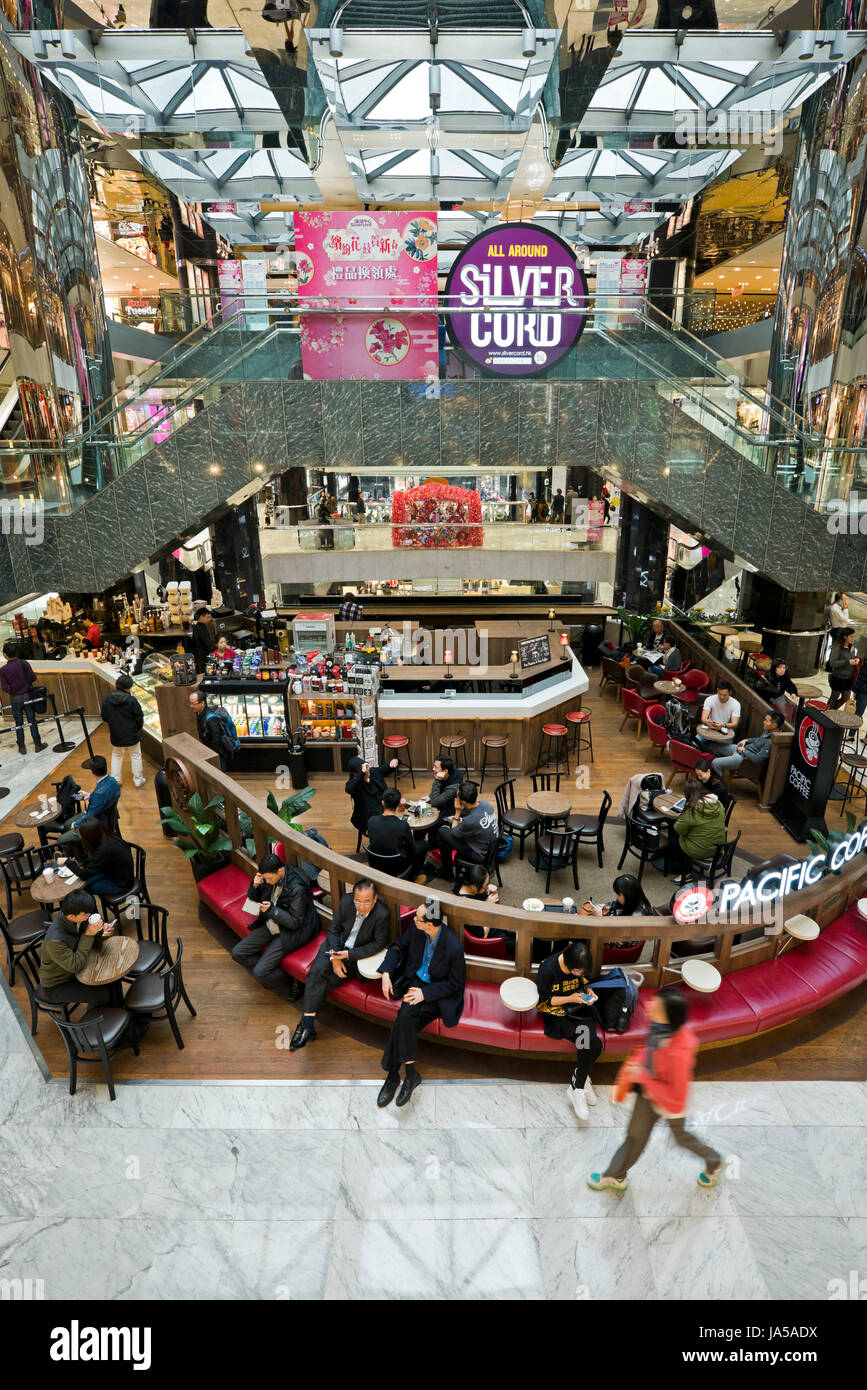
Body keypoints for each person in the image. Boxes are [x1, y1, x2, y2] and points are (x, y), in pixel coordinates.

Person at [588, 988, 724, 1191]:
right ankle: (616, 1175)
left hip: (670, 1103)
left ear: (670, 1017)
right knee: (635, 1137)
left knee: (682, 1138)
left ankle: (714, 1161)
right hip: (648, 1093)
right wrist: (636, 1070)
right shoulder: (661, 1029)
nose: (649, 1008)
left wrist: (641, 1077)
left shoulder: (679, 1054)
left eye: (657, 1007)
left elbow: (676, 1094)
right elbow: (649, 1052)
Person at [376, 898, 466, 1108]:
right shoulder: (417, 930)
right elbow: (397, 947)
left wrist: (425, 994)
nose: (413, 919)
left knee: (404, 1018)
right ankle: (409, 1074)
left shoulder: (453, 947)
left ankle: (393, 1076)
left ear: (430, 924)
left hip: (438, 991)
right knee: (405, 1019)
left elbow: (455, 983)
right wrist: (387, 971)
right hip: (416, 981)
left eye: (417, 917)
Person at [289, 878, 390, 1050]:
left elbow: (378, 944)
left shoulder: (382, 914)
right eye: (358, 900)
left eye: (366, 902)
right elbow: (334, 929)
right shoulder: (345, 902)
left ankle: (305, 1025)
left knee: (322, 983)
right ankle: (307, 1026)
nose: (361, 906)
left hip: (355, 956)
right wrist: (335, 958)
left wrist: (349, 955)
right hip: (334, 947)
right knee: (316, 973)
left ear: (374, 899)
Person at [230, 851, 318, 994]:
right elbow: (255, 898)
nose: (268, 881)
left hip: (295, 930)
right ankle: (276, 973)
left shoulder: (298, 888)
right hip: (273, 920)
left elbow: (295, 922)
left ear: (280, 870)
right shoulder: (270, 877)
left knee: (259, 973)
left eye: (270, 878)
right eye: (265, 879)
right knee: (238, 953)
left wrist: (271, 911)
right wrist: (255, 886)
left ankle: (292, 981)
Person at [536, 939, 602, 1120]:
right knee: (590, 1044)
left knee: (593, 1045)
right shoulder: (548, 969)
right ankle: (581, 1082)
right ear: (572, 969)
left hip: (579, 1009)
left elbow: (585, 982)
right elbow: (544, 1001)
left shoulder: (580, 966)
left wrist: (589, 992)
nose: (581, 974)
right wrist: (571, 998)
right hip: (556, 1013)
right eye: (579, 972)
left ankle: (577, 1084)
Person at [38, 890, 116, 1008]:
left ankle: (118, 1012)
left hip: (73, 971)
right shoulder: (54, 942)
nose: (88, 917)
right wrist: (89, 934)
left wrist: (103, 932)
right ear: (71, 916)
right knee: (103, 994)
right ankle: (99, 1022)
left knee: (111, 978)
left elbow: (90, 939)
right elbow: (75, 966)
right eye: (85, 915)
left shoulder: (72, 916)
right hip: (57, 984)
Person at [433, 779, 498, 882]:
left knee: (442, 832)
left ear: (462, 801)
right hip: (489, 847)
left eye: (457, 795)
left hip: (478, 855)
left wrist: (458, 811)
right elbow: (475, 818)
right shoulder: (486, 805)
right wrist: (460, 819)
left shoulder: (470, 822)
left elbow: (453, 832)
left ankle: (447, 872)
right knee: (448, 828)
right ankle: (446, 868)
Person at [57, 817, 134, 898]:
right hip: (114, 872)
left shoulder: (103, 850)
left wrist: (67, 861)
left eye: (82, 835)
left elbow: (84, 875)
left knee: (82, 890)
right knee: (86, 883)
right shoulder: (104, 834)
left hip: (121, 883)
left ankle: (92, 911)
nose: (80, 837)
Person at [366, 788, 427, 878]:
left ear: (383, 803)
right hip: (396, 867)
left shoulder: (371, 820)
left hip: (375, 863)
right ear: (399, 804)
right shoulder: (403, 825)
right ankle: (414, 875)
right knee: (423, 844)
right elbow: (411, 850)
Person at [100, 672, 146, 788]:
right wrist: (138, 728)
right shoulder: (131, 700)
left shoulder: (107, 700)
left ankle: (116, 780)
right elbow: (139, 717)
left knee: (117, 755)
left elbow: (104, 717)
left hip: (116, 734)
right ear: (128, 687)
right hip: (131, 733)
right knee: (135, 755)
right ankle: (138, 780)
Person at [0, 640, 46, 754]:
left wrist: (13, 689)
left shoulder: (3, 670)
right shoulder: (24, 663)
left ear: (5, 655)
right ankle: (38, 744)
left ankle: (22, 747)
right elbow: (33, 678)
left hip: (15, 698)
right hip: (27, 695)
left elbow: (5, 688)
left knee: (18, 722)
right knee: (31, 719)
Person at [711, 710, 784, 780]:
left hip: (743, 760)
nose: (763, 722)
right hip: (741, 749)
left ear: (774, 725)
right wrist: (746, 740)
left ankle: (717, 784)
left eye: (766, 721)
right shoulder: (769, 730)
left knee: (715, 763)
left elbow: (757, 759)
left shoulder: (771, 742)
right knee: (713, 747)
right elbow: (758, 740)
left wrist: (744, 751)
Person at [672, 779, 726, 871]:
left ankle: (684, 871)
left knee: (674, 840)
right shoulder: (717, 803)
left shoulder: (692, 810)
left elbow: (679, 830)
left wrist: (683, 816)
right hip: (717, 848)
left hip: (701, 850)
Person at [345, 755, 399, 841]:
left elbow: (388, 767)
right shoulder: (356, 784)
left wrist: (394, 762)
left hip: (384, 808)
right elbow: (348, 789)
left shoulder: (374, 772)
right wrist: (361, 774)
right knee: (393, 828)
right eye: (365, 770)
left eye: (367, 767)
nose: (368, 771)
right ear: (356, 774)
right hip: (368, 816)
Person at [189, 688, 233, 771]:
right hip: (210, 752)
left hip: (217, 754)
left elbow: (216, 739)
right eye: (190, 703)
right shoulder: (200, 713)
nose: (191, 706)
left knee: (220, 776)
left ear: (202, 703)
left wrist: (211, 757)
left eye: (193, 704)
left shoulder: (211, 719)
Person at [695, 681, 741, 749]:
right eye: (720, 694)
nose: (722, 697)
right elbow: (703, 718)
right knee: (694, 743)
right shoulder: (710, 699)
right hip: (710, 728)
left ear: (730, 693)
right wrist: (708, 722)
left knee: (725, 750)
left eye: (725, 695)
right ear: (717, 691)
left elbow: (735, 724)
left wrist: (723, 725)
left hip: (725, 731)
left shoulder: (736, 704)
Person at [426, 755, 462, 841]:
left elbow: (434, 802)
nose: (433, 769)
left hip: (451, 813)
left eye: (436, 767)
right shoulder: (450, 774)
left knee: (430, 822)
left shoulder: (453, 788)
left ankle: (433, 846)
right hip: (444, 805)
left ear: (445, 771)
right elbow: (434, 795)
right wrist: (431, 797)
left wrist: (437, 780)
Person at [828, 629, 859, 710]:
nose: (853, 639)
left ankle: (833, 710)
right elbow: (832, 663)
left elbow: (851, 659)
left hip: (848, 678)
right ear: (845, 637)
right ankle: (828, 713)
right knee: (834, 697)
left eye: (854, 637)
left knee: (846, 697)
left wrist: (856, 660)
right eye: (851, 637)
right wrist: (847, 662)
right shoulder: (838, 647)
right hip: (838, 677)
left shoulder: (851, 647)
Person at [190, 607, 214, 673]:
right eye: (208, 617)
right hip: (203, 656)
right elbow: (208, 644)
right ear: (201, 617)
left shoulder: (197, 626)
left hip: (198, 655)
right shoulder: (202, 629)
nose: (210, 619)